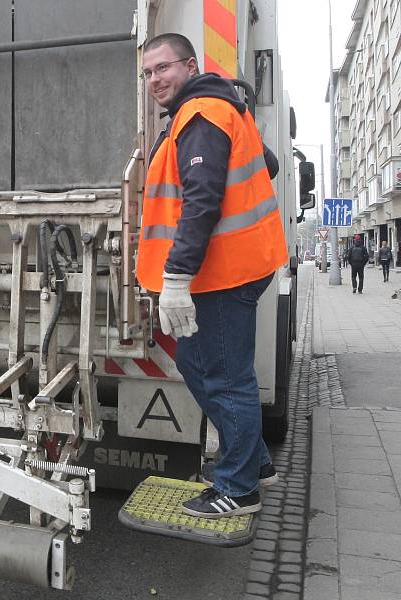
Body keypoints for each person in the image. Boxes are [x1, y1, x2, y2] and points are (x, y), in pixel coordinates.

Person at [136, 34, 288, 518]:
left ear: (190, 64)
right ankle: (255, 462)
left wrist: (177, 277)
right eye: (148, 73)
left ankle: (239, 490)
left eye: (163, 68)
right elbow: (270, 163)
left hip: (221, 275)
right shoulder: (219, 108)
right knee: (204, 370)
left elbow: (202, 201)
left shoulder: (201, 114)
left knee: (223, 379)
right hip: (231, 268)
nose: (155, 79)